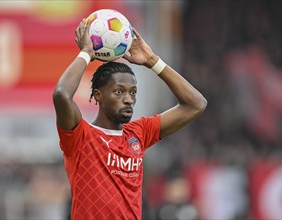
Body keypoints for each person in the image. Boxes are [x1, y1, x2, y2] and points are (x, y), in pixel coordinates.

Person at [53, 18, 207, 220]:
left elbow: (196, 104)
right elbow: (61, 95)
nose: (128, 99)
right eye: (119, 92)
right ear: (98, 95)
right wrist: (86, 54)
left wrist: (153, 61)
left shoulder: (139, 133)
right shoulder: (80, 136)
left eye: (133, 93)